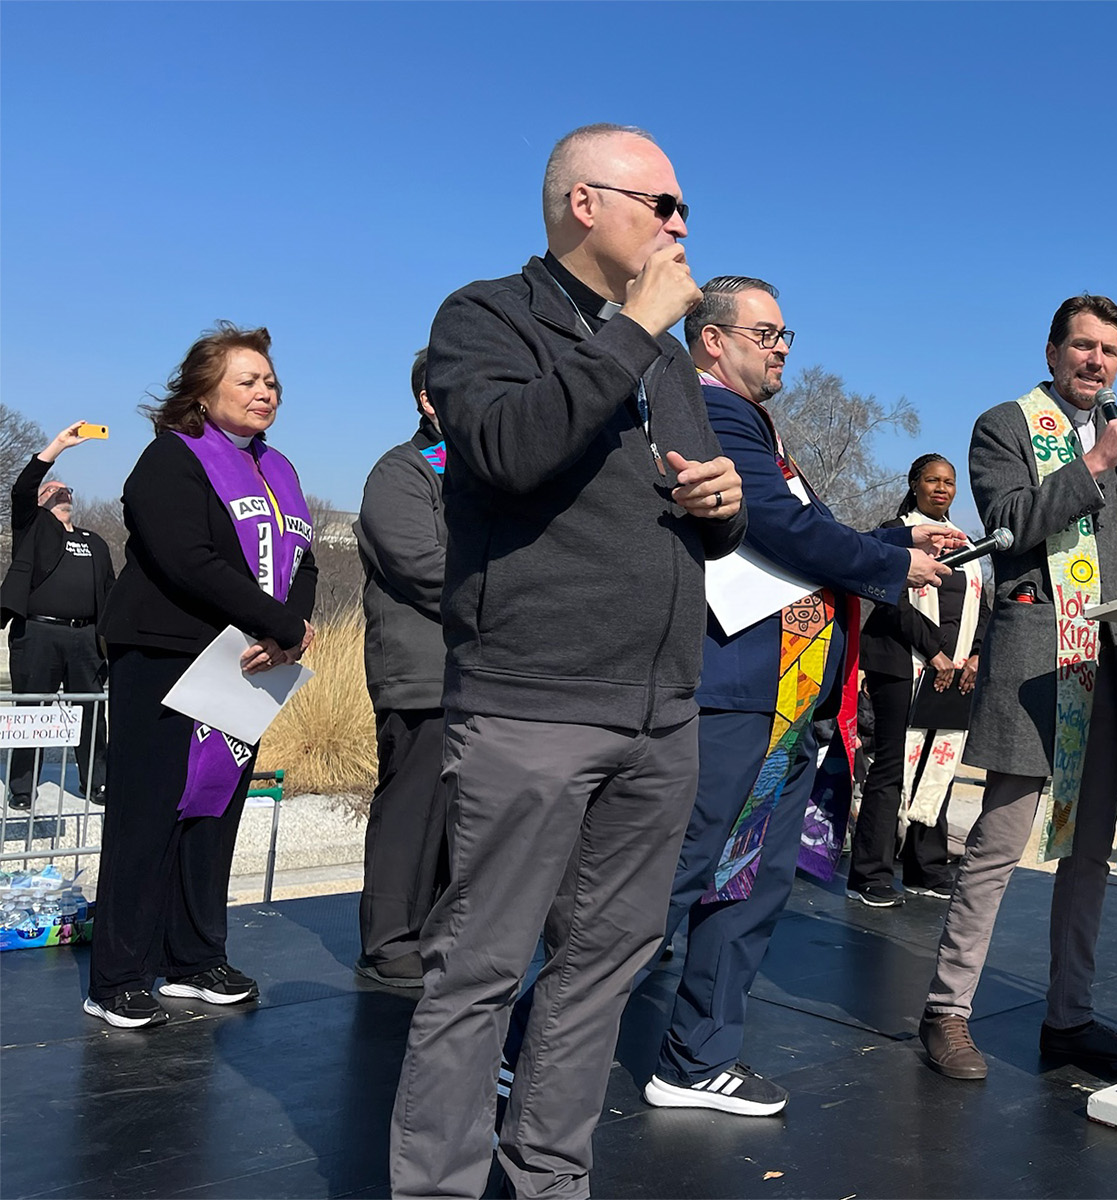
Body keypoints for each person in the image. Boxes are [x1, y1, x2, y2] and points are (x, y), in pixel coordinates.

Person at [388, 124, 745, 1200]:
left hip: (659, 712)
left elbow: (695, 499)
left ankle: (548, 1178)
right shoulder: (485, 316)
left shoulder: (672, 354)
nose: (683, 227)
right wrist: (632, 330)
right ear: (585, 204)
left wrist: (721, 507)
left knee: (602, 972)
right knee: (480, 971)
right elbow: (504, 451)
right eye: (664, 205)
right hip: (532, 703)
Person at [644, 276, 953, 1118]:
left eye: (787, 335)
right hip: (742, 688)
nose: (783, 348)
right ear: (714, 339)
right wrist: (894, 565)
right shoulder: (710, 410)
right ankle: (529, 1045)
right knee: (674, 874)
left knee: (744, 880)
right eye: (768, 333)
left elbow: (796, 521)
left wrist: (895, 536)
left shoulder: (758, 425)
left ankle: (697, 1055)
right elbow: (777, 526)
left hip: (785, 698)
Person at [919, 294, 1117, 1082]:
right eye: (1083, 346)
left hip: (1113, 668)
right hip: (1039, 672)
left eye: (1110, 351)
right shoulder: (1005, 425)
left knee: (1090, 855)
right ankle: (946, 1012)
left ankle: (1069, 1016)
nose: (1096, 361)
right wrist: (1092, 461)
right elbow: (1010, 520)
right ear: (1052, 351)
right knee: (998, 848)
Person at [84, 324, 318, 1029]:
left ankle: (193, 958)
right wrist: (275, 623)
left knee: (213, 811)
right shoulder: (171, 460)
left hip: (246, 667)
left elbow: (304, 560)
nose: (264, 392)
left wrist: (292, 628)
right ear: (203, 390)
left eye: (270, 381)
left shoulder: (278, 469)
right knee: (147, 813)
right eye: (247, 380)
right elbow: (189, 560)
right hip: (164, 657)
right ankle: (118, 974)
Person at [849, 453, 990, 905]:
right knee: (892, 767)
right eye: (933, 480)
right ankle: (870, 871)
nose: (942, 489)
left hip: (952, 670)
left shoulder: (965, 542)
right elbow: (893, 600)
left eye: (949, 482)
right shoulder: (896, 534)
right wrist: (935, 652)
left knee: (939, 762)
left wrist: (974, 654)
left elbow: (982, 604)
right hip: (901, 664)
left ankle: (926, 867)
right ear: (914, 484)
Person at [351, 348, 449, 988]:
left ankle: (440, 938)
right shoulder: (402, 471)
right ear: (427, 399)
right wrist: (522, 596)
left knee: (457, 823)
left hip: (482, 676)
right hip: (421, 672)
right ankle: (390, 944)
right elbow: (421, 567)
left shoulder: (483, 473)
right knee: (412, 814)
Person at [2, 422, 115, 809]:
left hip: (85, 638)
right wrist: (59, 446)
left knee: (91, 711)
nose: (62, 492)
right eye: (53, 490)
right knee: (31, 710)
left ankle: (96, 782)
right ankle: (21, 787)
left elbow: (111, 593)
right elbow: (22, 489)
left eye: (67, 490)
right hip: (38, 634)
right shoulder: (33, 529)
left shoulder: (93, 541)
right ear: (39, 502)